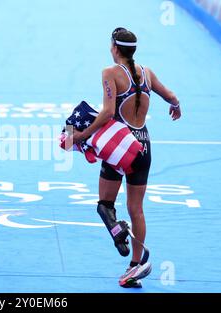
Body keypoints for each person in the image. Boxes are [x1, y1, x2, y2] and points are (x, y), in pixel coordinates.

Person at [68, 27, 181, 287]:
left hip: (120, 147)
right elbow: (172, 96)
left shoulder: (110, 73)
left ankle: (118, 233)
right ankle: (135, 265)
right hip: (143, 146)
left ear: (115, 49)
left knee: (104, 205)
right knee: (136, 209)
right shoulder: (147, 72)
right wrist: (176, 106)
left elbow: (108, 113)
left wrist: (82, 135)